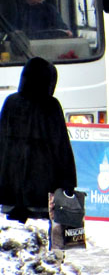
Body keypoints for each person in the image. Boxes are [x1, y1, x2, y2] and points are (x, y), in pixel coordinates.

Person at [0, 57, 78, 222]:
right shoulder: (51, 106)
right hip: (43, 193)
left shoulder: (11, 103)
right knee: (59, 235)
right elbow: (61, 148)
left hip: (11, 193)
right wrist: (68, 183)